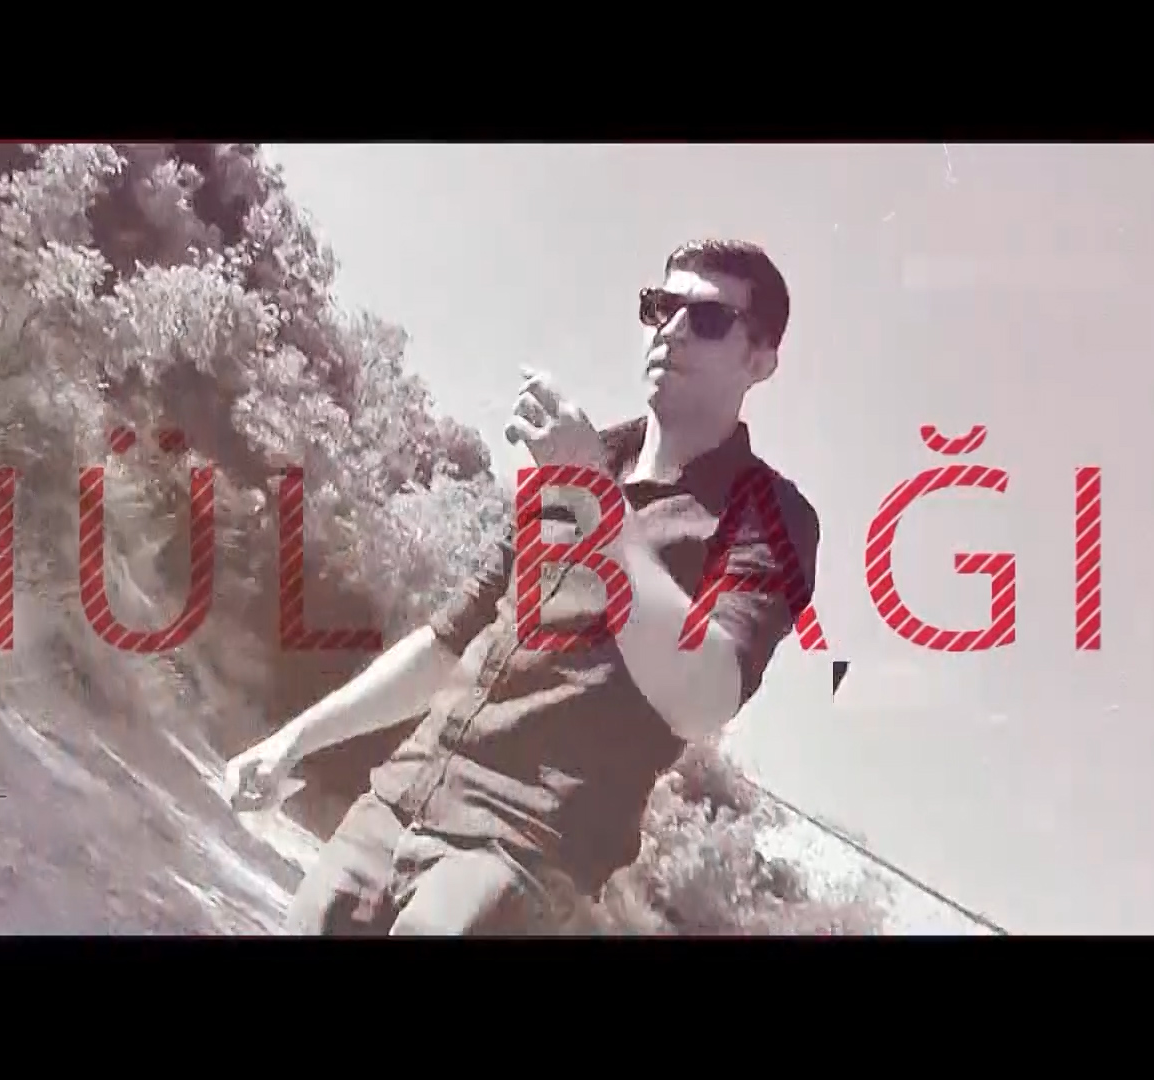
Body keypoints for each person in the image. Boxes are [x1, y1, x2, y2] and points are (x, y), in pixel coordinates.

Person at [222, 239, 823, 935]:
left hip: (521, 855)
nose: (672, 329)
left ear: (761, 360)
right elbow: (452, 641)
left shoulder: (768, 517)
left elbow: (705, 700)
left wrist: (595, 498)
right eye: (660, 307)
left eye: (709, 318)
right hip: (391, 807)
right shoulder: (584, 459)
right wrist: (294, 741)